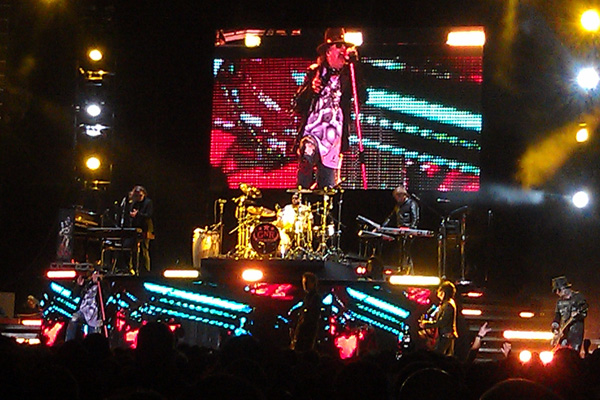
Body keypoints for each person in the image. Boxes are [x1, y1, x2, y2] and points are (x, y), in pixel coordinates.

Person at [292, 27, 366, 188]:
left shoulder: (348, 75)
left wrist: (356, 66)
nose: (343, 50)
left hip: (333, 141)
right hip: (313, 133)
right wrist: (311, 89)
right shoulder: (315, 72)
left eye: (345, 46)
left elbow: (363, 97)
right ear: (328, 52)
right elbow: (297, 104)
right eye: (338, 46)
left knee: (327, 188)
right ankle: (300, 194)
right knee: (307, 156)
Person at [382, 184, 420, 274]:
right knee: (401, 251)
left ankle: (409, 270)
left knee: (407, 251)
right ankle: (402, 268)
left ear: (403, 195)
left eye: (397, 197)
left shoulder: (412, 203)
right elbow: (391, 217)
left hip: (408, 231)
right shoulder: (398, 206)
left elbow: (415, 218)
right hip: (400, 231)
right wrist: (382, 227)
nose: (396, 199)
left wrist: (411, 230)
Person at [419, 280, 458, 356]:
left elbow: (442, 322)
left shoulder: (448, 305)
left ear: (444, 292)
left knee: (438, 356)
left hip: (445, 336)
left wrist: (426, 324)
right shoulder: (446, 304)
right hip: (444, 335)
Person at [551, 276, 588, 352]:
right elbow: (557, 316)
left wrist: (577, 315)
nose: (557, 293)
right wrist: (555, 328)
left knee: (573, 352)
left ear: (564, 288)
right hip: (564, 332)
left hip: (575, 332)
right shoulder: (559, 302)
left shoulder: (578, 297)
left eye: (558, 290)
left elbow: (584, 312)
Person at [65, 270, 104, 341]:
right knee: (74, 319)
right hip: (83, 309)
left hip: (94, 311)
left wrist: (100, 283)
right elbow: (74, 295)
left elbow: (105, 296)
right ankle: (69, 343)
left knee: (93, 330)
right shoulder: (87, 283)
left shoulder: (104, 285)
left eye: (97, 274)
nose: (95, 276)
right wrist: (78, 285)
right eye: (94, 274)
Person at [123, 185, 154, 274]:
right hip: (134, 229)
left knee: (144, 250)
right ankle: (130, 269)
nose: (138, 197)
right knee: (127, 247)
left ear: (144, 194)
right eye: (136, 196)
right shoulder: (134, 203)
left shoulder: (148, 202)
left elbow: (149, 215)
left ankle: (146, 271)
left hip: (145, 228)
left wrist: (138, 214)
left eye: (140, 195)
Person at [290, 272, 322, 352]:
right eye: (304, 283)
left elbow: (312, 316)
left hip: (308, 331)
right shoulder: (307, 297)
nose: (305, 285)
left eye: (307, 282)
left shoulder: (315, 298)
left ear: (313, 283)